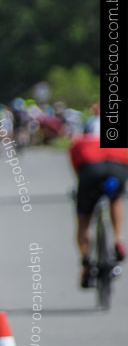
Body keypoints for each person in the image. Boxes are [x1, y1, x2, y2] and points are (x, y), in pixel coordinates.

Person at [69, 122, 128, 287]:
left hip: (91, 171)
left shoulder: (80, 142)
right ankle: (118, 241)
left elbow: (77, 169)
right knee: (116, 199)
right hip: (117, 169)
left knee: (84, 218)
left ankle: (86, 263)